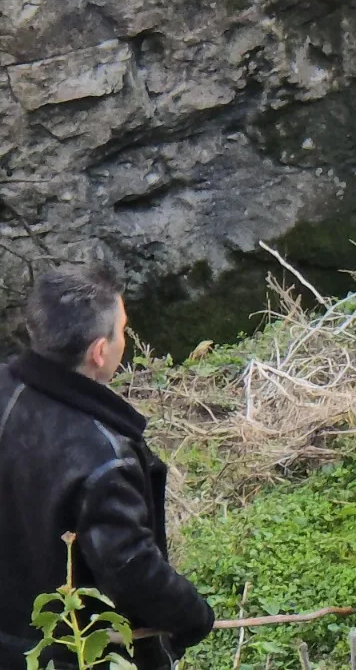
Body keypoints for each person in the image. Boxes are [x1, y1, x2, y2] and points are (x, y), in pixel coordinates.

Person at [0, 266, 215, 670]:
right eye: (122, 330)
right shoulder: (103, 456)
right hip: (68, 654)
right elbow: (130, 567)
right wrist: (192, 614)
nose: (125, 340)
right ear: (100, 351)